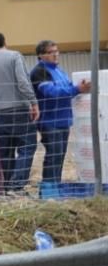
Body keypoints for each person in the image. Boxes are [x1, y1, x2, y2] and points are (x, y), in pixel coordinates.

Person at [0, 31, 39, 192]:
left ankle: (8, 186)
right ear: (5, 41)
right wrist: (33, 102)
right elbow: (23, 82)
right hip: (19, 109)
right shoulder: (14, 56)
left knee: (6, 152)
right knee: (27, 147)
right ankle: (16, 185)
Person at [29, 40, 91, 184]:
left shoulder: (59, 70)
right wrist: (77, 89)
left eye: (57, 51)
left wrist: (79, 86)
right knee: (54, 156)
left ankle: (55, 188)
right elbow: (50, 92)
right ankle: (49, 191)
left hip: (64, 120)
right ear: (40, 55)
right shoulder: (40, 71)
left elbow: (70, 88)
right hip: (50, 122)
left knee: (60, 156)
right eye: (51, 52)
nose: (55, 54)